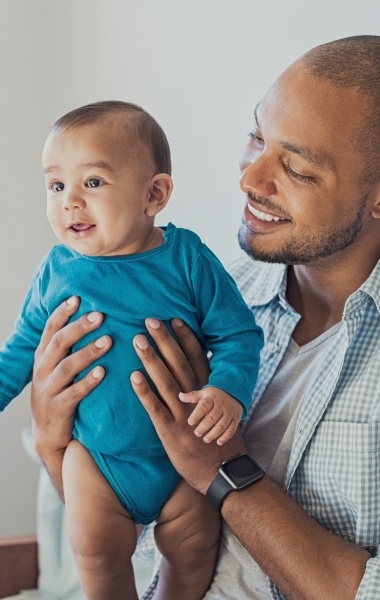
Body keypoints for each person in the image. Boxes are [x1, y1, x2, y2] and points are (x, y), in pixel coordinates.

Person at [30, 34, 380, 600]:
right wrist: (53, 444)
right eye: (257, 137)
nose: (249, 179)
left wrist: (225, 471)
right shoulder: (203, 299)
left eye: (295, 167)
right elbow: (134, 534)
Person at [0, 101, 264, 599]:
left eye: (92, 182)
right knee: (96, 553)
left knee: (193, 550)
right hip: (97, 460)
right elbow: (19, 351)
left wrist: (228, 390)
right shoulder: (57, 270)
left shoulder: (186, 258)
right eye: (56, 186)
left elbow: (239, 335)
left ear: (154, 194)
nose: (70, 202)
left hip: (184, 461)